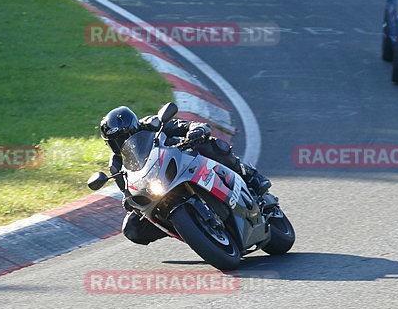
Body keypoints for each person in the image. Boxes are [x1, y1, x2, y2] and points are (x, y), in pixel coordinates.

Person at [99, 105, 270, 245]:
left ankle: (249, 175)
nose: (121, 143)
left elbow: (187, 126)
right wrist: (129, 201)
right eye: (116, 141)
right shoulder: (116, 165)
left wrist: (195, 131)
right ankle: (187, 229)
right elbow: (127, 191)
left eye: (124, 136)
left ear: (135, 127)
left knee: (209, 145)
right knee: (131, 227)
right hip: (158, 186)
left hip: (185, 161)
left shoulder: (154, 124)